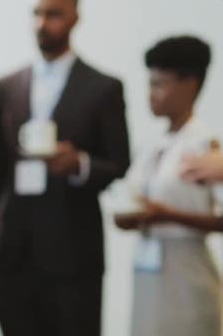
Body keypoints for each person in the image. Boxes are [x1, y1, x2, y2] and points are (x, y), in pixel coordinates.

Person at [0, 0, 130, 336]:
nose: (41, 23)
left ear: (75, 18)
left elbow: (119, 163)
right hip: (13, 256)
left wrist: (79, 164)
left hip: (73, 256)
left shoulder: (103, 87)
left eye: (53, 14)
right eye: (36, 13)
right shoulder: (9, 84)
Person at [114, 35, 220, 336]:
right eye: (150, 84)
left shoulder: (205, 145)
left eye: (160, 84)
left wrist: (168, 216)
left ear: (191, 85)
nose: (151, 94)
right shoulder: (151, 145)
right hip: (148, 272)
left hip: (186, 272)